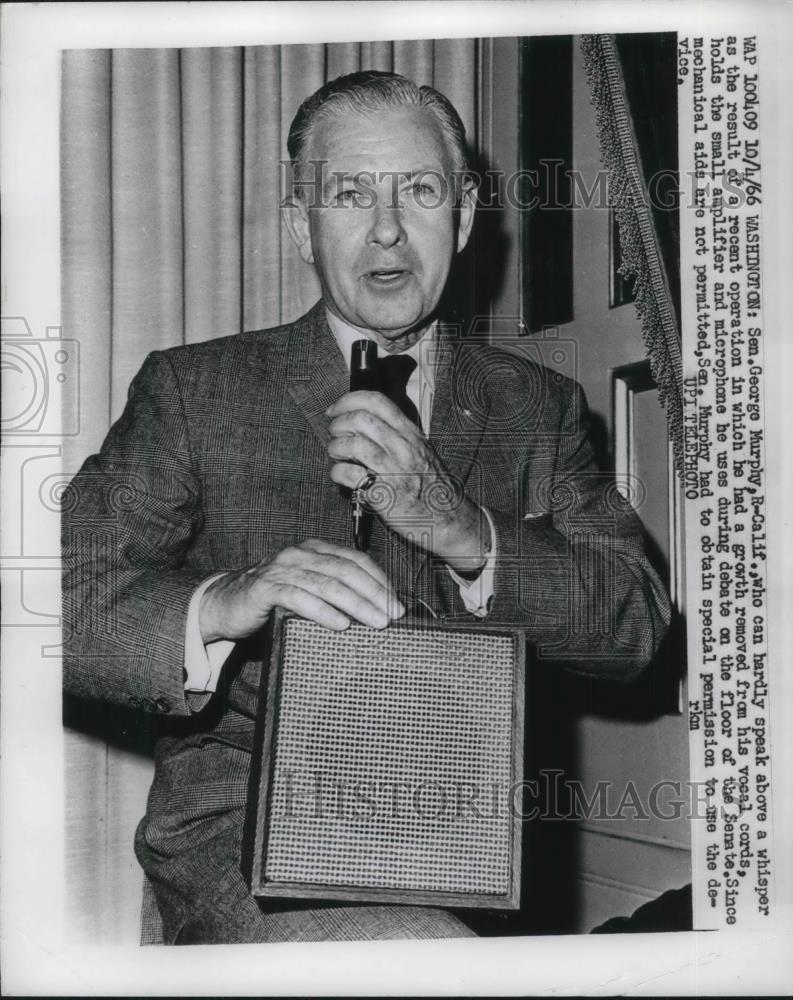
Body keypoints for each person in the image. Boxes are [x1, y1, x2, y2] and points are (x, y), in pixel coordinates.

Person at [63, 70, 671, 945]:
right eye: (349, 194)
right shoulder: (195, 390)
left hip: (462, 840)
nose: (387, 229)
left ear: (462, 218)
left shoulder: (536, 407)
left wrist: (465, 533)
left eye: (419, 191)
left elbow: (636, 627)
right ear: (298, 228)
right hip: (242, 834)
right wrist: (229, 600)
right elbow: (52, 602)